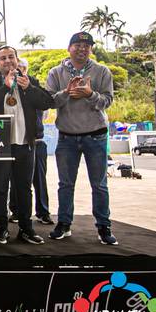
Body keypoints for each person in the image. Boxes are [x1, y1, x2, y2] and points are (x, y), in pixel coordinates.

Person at [46, 31, 117, 245]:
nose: (82, 49)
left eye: (87, 46)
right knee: (65, 184)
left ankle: (103, 226)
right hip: (67, 137)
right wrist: (66, 92)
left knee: (99, 185)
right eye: (77, 45)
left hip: (95, 135)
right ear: (69, 48)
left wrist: (90, 94)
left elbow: (108, 100)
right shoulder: (56, 72)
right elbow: (50, 101)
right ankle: (64, 224)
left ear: (91, 50)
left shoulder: (102, 71)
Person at [0, 46, 54, 245]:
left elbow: (47, 102)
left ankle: (26, 228)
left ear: (17, 59)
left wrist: (29, 88)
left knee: (24, 188)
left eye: (11, 57)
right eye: (3, 58)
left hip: (25, 143)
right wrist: (5, 88)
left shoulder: (29, 80)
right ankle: (1, 229)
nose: (7, 61)